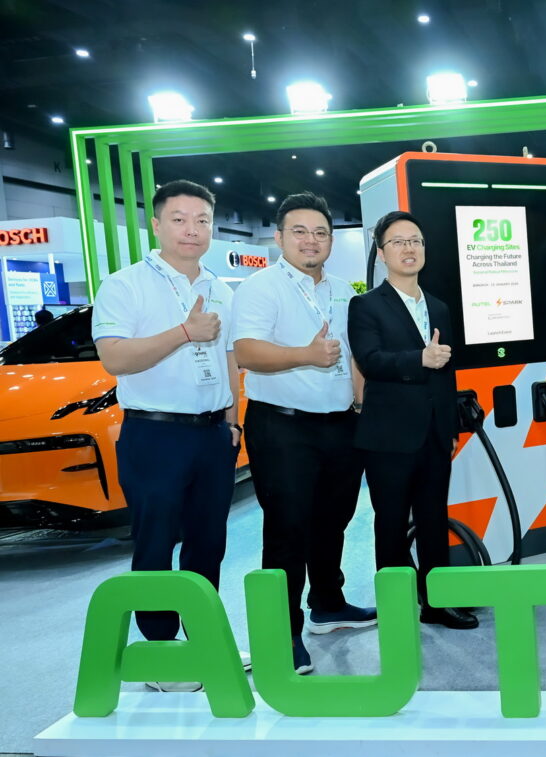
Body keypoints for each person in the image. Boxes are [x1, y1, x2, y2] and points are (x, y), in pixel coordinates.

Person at [91, 179, 242, 692]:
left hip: (212, 434)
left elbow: (228, 359)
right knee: (155, 544)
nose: (191, 229)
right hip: (154, 433)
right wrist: (183, 332)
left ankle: (203, 642)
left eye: (202, 220)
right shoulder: (125, 285)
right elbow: (114, 357)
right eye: (179, 219)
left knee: (209, 543)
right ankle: (159, 655)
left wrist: (232, 422)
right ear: (156, 225)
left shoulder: (220, 288)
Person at [233, 192, 376, 674]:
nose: (310, 240)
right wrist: (306, 355)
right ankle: (282, 633)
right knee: (287, 530)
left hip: (340, 424)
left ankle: (328, 604)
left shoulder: (344, 290)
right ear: (278, 238)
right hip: (283, 426)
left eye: (320, 232)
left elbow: (354, 356)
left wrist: (361, 407)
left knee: (334, 520)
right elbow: (247, 352)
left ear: (331, 240)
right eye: (299, 231)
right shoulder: (260, 288)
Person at [348, 211, 476, 630]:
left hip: (435, 434)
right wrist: (419, 358)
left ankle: (437, 603)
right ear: (382, 253)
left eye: (416, 240)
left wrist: (450, 428)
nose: (409, 248)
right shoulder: (366, 305)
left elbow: (448, 372)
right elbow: (370, 360)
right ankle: (397, 609)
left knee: (433, 519)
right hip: (388, 437)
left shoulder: (438, 306)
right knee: (390, 525)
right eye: (398, 242)